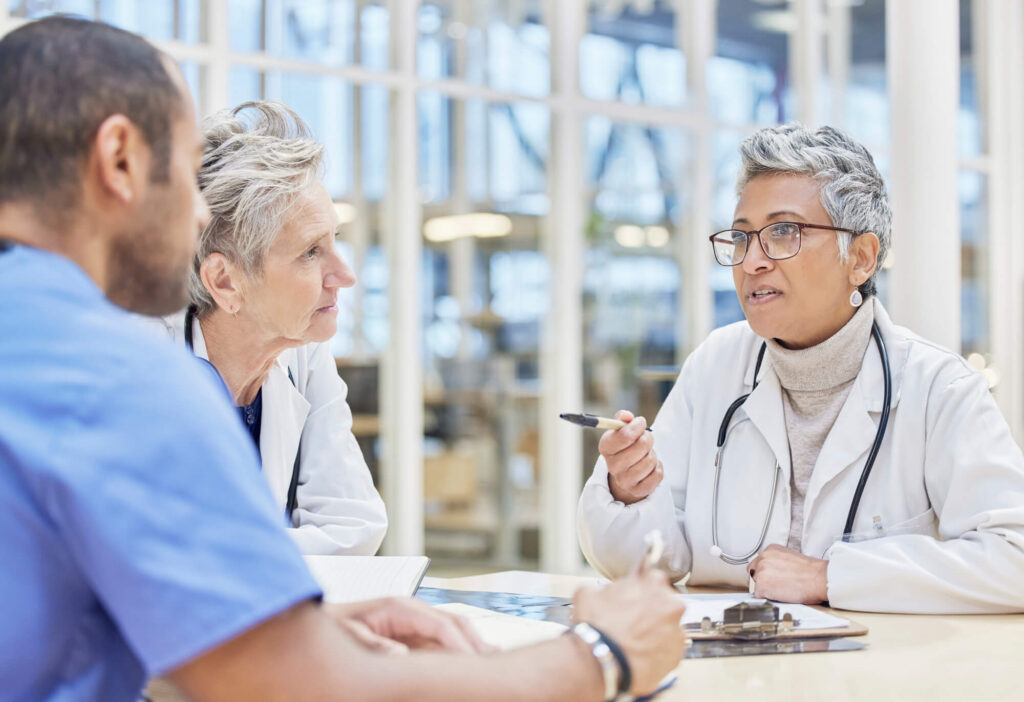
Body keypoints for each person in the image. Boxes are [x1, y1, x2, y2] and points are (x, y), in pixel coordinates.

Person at [0, 16, 686, 702]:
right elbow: (301, 687)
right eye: (183, 170)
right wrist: (602, 653)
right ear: (119, 159)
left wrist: (280, 623)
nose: (197, 215)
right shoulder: (109, 373)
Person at [577, 123, 1024, 614]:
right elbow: (659, 559)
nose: (752, 262)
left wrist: (831, 577)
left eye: (783, 232)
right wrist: (628, 491)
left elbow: (1013, 558)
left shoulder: (939, 388)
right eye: (742, 237)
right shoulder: (716, 366)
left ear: (860, 258)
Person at [151, 100, 386, 555]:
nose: (345, 274)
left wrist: (247, 560)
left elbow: (355, 525)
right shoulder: (142, 362)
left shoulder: (301, 349)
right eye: (310, 253)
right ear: (225, 281)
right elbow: (161, 553)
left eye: (334, 241)